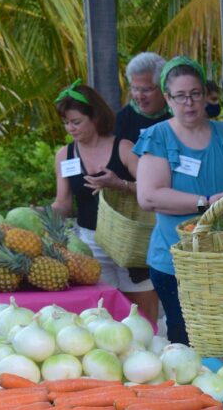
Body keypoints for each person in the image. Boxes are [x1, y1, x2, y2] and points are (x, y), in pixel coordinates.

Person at [134, 57, 223, 344]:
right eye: (180, 96)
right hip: (175, 261)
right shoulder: (158, 136)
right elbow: (149, 196)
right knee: (187, 340)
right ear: (167, 98)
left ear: (205, 95)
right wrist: (208, 203)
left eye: (195, 94)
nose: (189, 103)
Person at [51, 81, 159, 321]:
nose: (70, 128)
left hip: (130, 242)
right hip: (90, 242)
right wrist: (43, 214)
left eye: (76, 122)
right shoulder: (64, 155)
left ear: (95, 118)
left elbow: (153, 191)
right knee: (101, 317)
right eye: (66, 122)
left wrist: (119, 184)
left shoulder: (124, 149)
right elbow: (64, 204)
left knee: (142, 314)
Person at [114, 52, 171, 142]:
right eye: (135, 89)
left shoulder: (178, 114)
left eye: (146, 90)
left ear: (163, 87)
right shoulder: (122, 121)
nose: (140, 96)